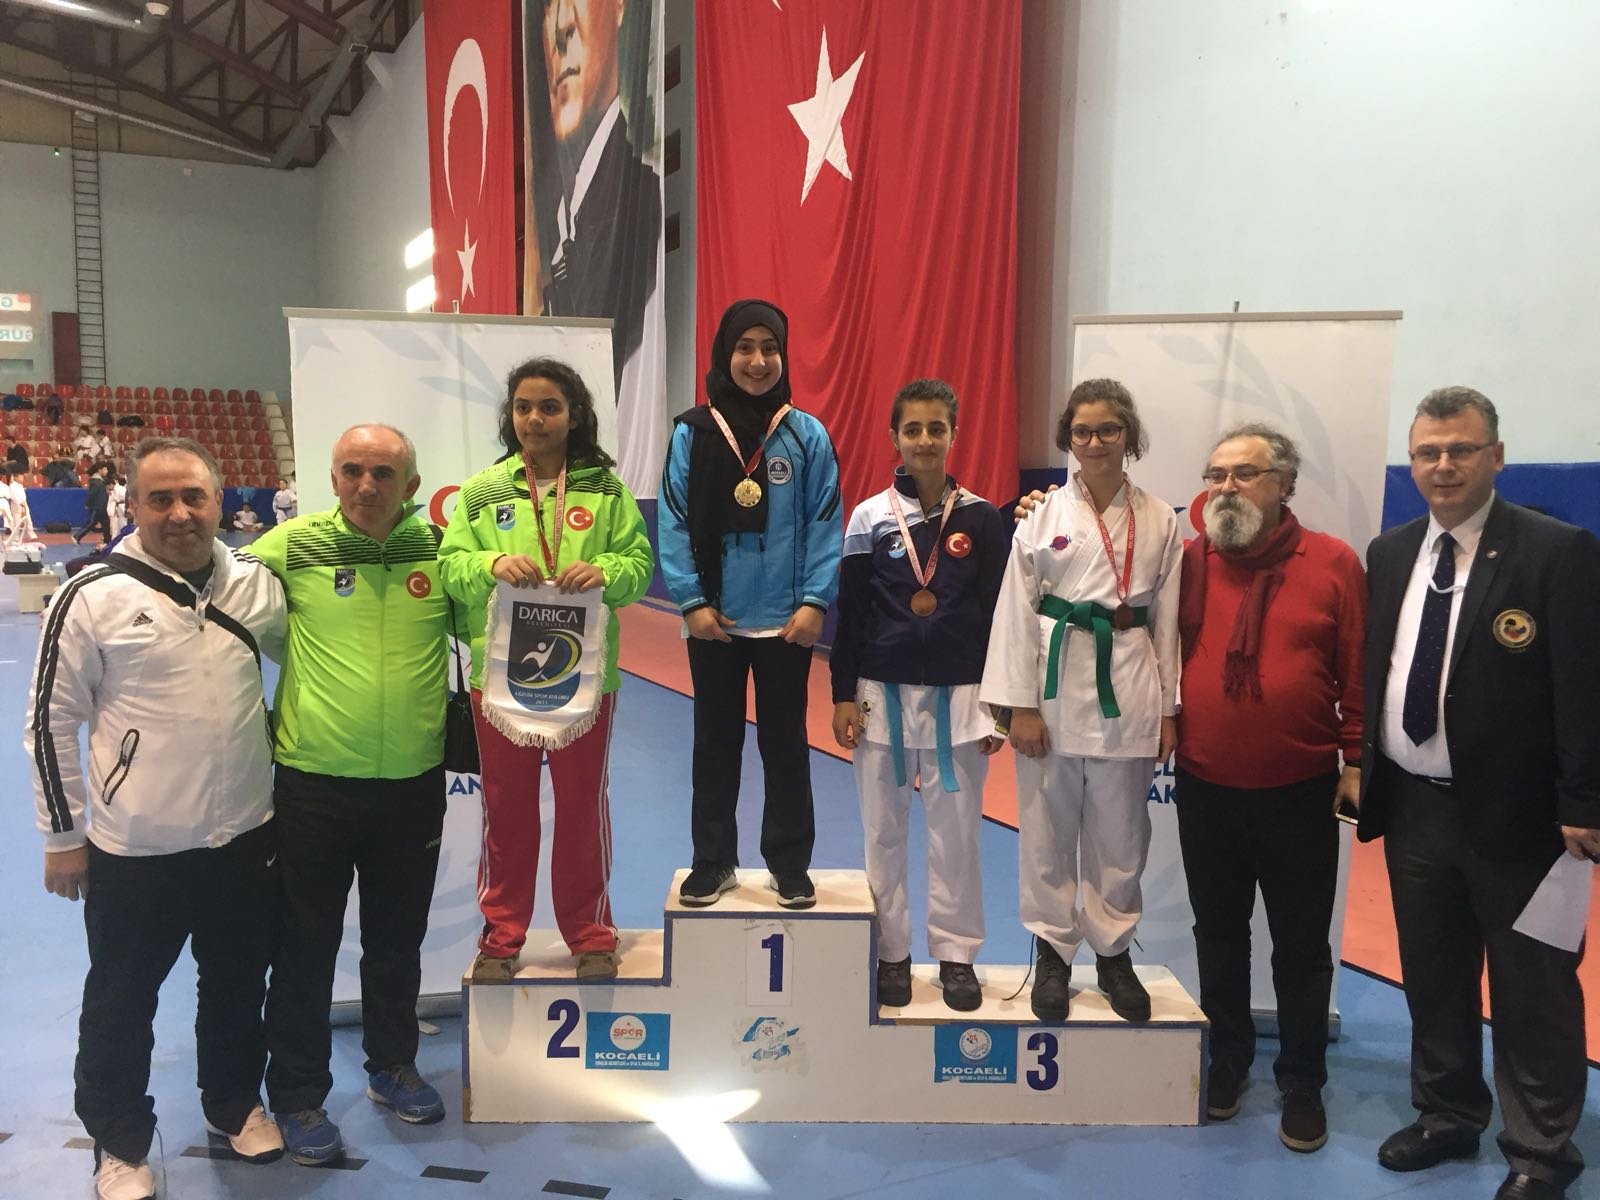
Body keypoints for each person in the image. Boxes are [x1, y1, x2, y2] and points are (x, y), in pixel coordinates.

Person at [24, 436, 288, 1200]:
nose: (179, 514)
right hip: (135, 849)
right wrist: (63, 838)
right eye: (161, 499)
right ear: (132, 506)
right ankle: (118, 1140)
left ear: (219, 503)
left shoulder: (256, 586)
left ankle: (233, 1103)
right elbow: (49, 722)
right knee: (122, 998)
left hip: (245, 834)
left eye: (193, 497)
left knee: (237, 983)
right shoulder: (90, 595)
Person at [1358, 387, 1600, 1200]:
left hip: (1525, 817)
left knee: (1534, 988)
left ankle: (1540, 1151)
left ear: (1496, 456)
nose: (1444, 466)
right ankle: (1447, 1113)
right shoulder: (1391, 553)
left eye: (1461, 449)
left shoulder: (1557, 551)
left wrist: (1585, 802)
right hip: (1415, 807)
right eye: (1428, 452)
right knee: (1434, 974)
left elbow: (1585, 687)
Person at [255, 425, 457, 1167]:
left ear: (412, 485)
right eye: (352, 470)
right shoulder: (290, 546)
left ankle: (392, 1067)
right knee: (303, 945)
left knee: (396, 940)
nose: (366, 485)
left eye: (383, 472)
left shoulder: (442, 551)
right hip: (313, 782)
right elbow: (210, 596)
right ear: (333, 477)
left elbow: (495, 627)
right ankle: (297, 1094)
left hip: (412, 782)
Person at [1171, 423, 1365, 1153]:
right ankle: (1227, 1059)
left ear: (1284, 484)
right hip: (1206, 787)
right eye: (1216, 474)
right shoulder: (1192, 560)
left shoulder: (1334, 562)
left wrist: (1356, 761)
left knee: (1301, 946)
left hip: (1300, 789)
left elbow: (1358, 668)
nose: (1226, 487)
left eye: (1245, 474)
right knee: (1218, 934)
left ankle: (1302, 1079)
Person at [441, 359, 653, 981]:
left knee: (582, 809)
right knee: (505, 811)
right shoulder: (482, 492)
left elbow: (639, 565)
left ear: (575, 415)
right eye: (523, 407)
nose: (534, 419)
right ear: (509, 415)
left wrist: (606, 572)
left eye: (549, 407)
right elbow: (450, 565)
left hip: (584, 682)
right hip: (499, 681)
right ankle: (501, 937)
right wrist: (490, 565)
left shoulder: (605, 492)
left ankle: (590, 934)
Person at [980, 378, 1181, 1023]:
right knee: (1046, 831)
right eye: (1083, 431)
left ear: (1129, 436)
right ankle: (1052, 953)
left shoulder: (1160, 518)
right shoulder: (1041, 516)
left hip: (1130, 679)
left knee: (1122, 834)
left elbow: (1169, 621)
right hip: (1052, 685)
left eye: (1108, 430)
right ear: (1068, 438)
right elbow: (1015, 611)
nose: (1095, 442)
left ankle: (1114, 953)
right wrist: (1019, 706)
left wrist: (1169, 709)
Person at [830, 379, 1008, 1012]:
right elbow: (851, 614)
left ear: (954, 435)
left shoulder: (982, 518)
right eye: (913, 430)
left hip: (962, 698)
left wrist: (1001, 704)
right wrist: (842, 694)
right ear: (895, 438)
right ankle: (891, 954)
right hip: (881, 693)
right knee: (883, 833)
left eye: (937, 428)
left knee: (956, 836)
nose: (925, 440)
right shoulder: (869, 517)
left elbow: (999, 616)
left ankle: (957, 956)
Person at [659, 299, 843, 909]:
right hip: (715, 619)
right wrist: (691, 601)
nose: (758, 361)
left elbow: (825, 521)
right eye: (745, 347)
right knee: (714, 745)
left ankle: (789, 864)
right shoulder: (692, 432)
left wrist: (814, 601)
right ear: (725, 353)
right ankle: (713, 861)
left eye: (770, 348)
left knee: (785, 745)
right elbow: (674, 517)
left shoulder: (806, 433)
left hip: (787, 623)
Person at [533, 0, 661, 389]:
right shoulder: (556, 230)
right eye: (547, 6)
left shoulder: (644, 202)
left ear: (620, 7)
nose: (560, 27)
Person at [74, 463, 112, 545]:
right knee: (91, 523)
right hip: (97, 506)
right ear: (99, 470)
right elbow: (92, 494)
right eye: (105, 469)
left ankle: (107, 540)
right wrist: (88, 503)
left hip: (102, 506)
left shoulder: (100, 481)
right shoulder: (97, 482)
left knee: (105, 523)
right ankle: (77, 536)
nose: (107, 471)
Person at [4, 466, 35, 546]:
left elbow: (23, 496)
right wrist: (21, 504)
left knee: (28, 520)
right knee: (17, 522)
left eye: (22, 477)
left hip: (24, 504)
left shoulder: (20, 486)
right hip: (17, 505)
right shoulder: (12, 486)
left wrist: (24, 504)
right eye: (20, 477)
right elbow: (15, 497)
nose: (22, 479)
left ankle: (32, 535)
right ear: (15, 478)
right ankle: (16, 537)